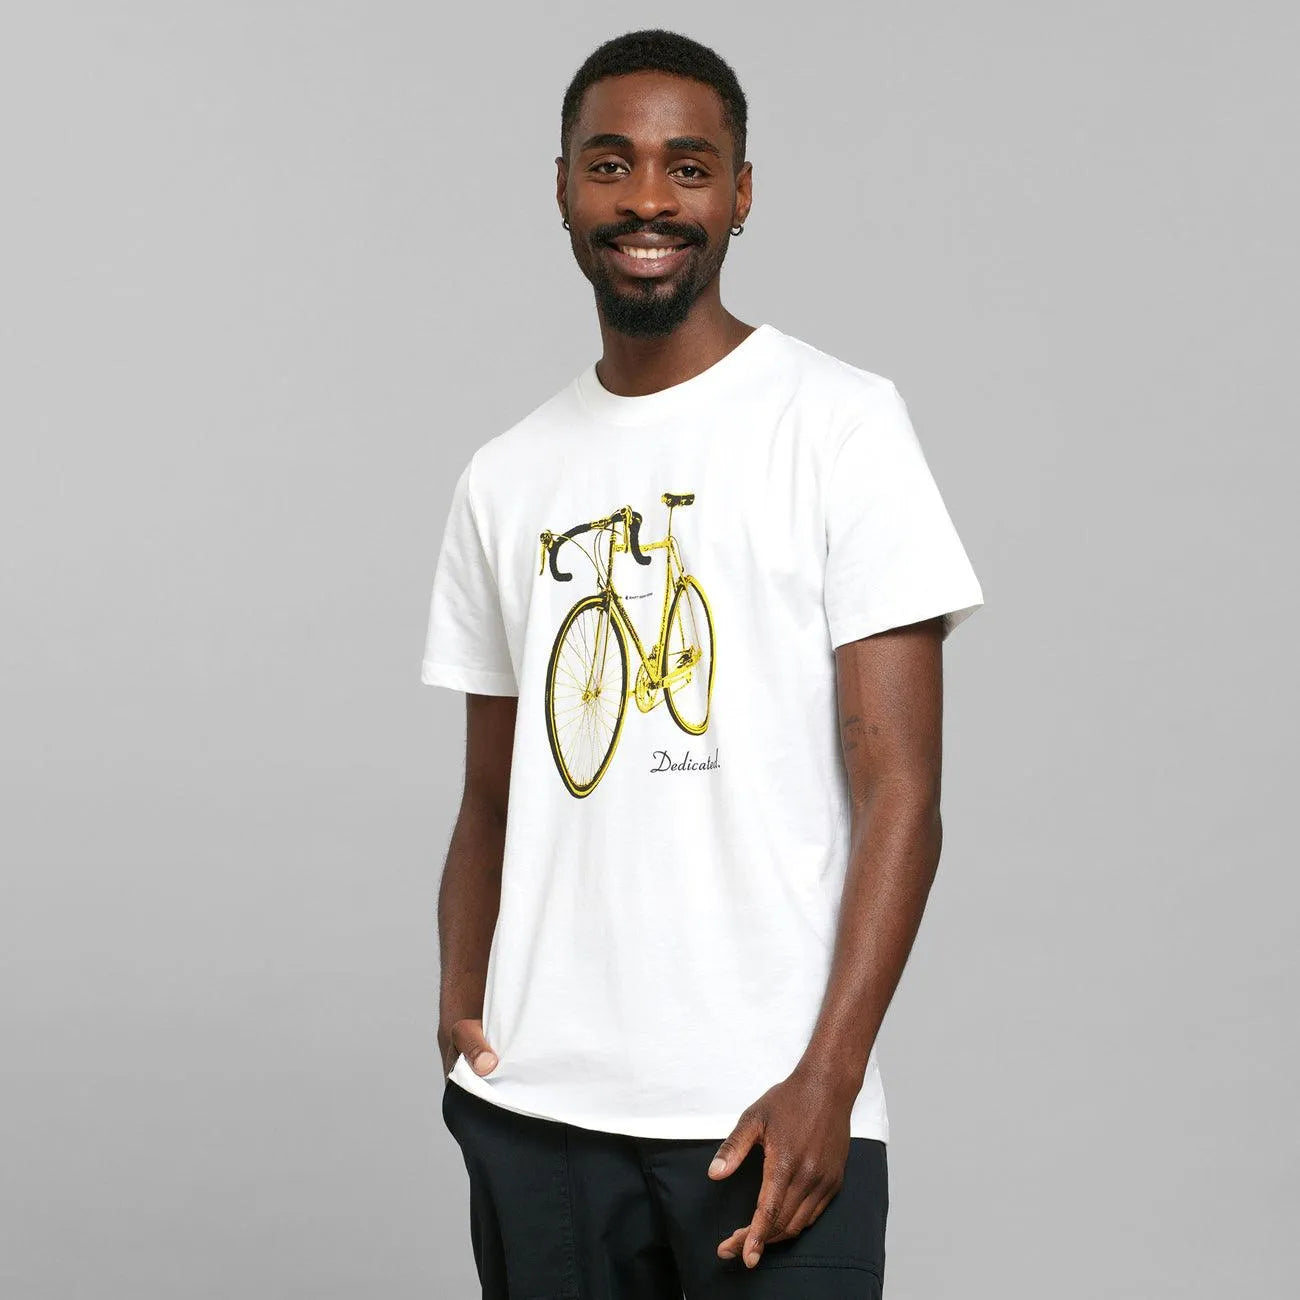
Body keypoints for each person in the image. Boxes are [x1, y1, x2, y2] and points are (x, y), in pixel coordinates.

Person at [420, 28, 983, 1299]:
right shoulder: (504, 476)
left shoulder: (839, 424)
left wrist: (830, 1076)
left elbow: (903, 792)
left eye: (687, 167)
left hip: (768, 1108)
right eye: (609, 164)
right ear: (562, 187)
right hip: (536, 1115)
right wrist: (460, 1002)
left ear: (740, 193)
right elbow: (491, 797)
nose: (648, 200)